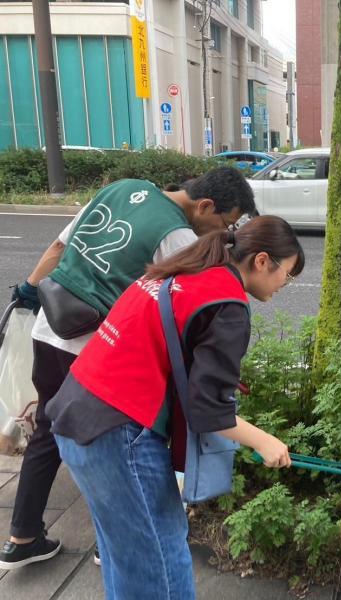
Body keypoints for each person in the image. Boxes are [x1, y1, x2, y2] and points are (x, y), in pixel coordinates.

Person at [1, 167, 255, 570]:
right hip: (97, 347)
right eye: (225, 223)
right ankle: (110, 545)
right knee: (104, 439)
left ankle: (23, 537)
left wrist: (30, 290)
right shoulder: (178, 237)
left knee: (49, 430)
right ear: (205, 206)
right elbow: (179, 307)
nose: (223, 233)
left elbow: (59, 246)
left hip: (48, 327)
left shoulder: (122, 189)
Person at [44, 216, 303, 598]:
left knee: (125, 556)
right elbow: (208, 411)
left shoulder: (186, 270)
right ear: (263, 261)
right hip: (118, 433)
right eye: (288, 274)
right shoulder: (227, 302)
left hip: (76, 411)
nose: (285, 284)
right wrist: (266, 442)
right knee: (160, 564)